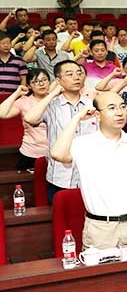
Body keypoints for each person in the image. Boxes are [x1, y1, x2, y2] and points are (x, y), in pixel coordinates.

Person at [49, 91, 127, 249]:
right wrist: (77, 118)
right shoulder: (84, 144)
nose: (119, 112)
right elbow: (57, 154)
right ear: (97, 115)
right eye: (112, 108)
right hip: (101, 229)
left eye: (122, 107)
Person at [24, 61, 97, 204]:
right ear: (58, 80)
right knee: (62, 217)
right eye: (69, 74)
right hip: (60, 178)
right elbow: (30, 118)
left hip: (90, 177)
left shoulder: (92, 105)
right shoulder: (52, 105)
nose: (76, 77)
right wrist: (52, 94)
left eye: (79, 73)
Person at [0, 69, 51, 172]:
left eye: (44, 80)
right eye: (35, 81)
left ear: (49, 82)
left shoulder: (57, 99)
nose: (41, 84)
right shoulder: (24, 101)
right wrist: (17, 93)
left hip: (54, 152)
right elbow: (2, 113)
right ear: (29, 86)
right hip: (30, 152)